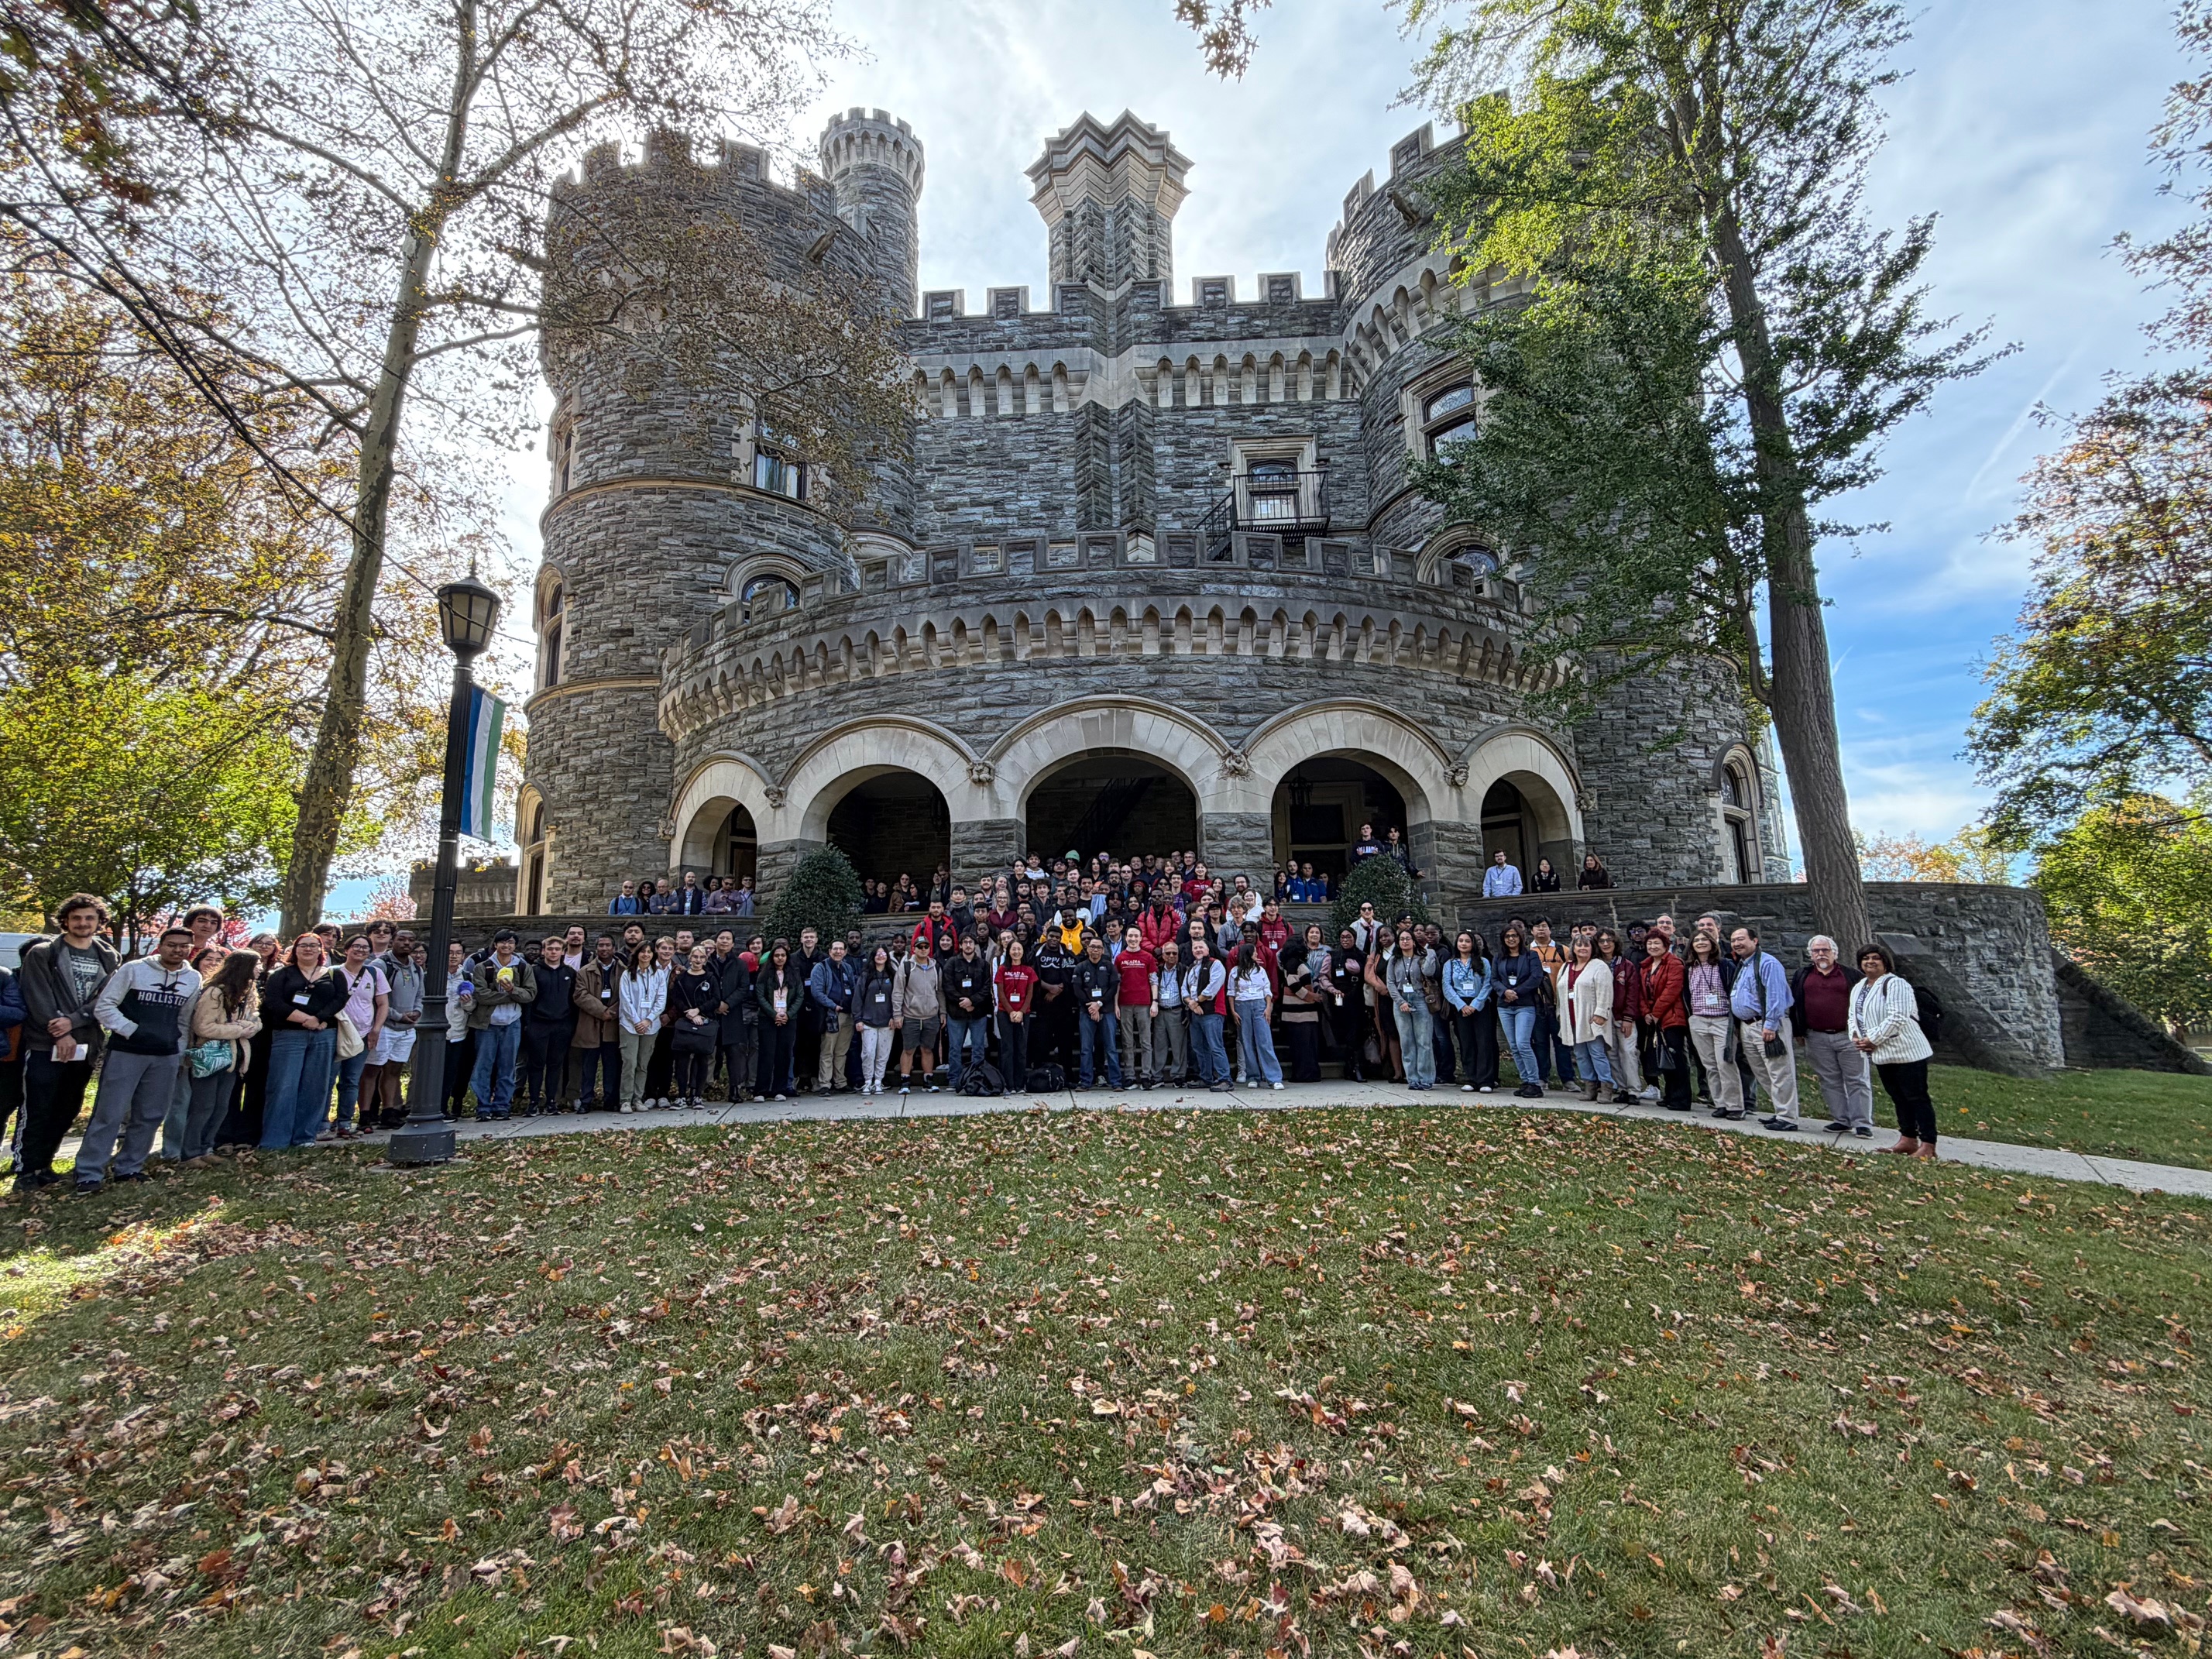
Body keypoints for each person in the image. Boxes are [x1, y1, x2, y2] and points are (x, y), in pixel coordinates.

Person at [74, 926, 203, 1192]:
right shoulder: (133, 969)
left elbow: (184, 1019)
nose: (177, 950)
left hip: (165, 1057)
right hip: (127, 1052)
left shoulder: (193, 978)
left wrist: (177, 1050)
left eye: (183, 946)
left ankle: (130, 1168)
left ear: (190, 948)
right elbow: (105, 1007)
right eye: (172, 944)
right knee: (110, 1113)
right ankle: (89, 1172)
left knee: (151, 1114)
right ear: (161, 944)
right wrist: (134, 1031)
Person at [15, 895, 123, 1190]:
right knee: (38, 1106)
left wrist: (74, 1023)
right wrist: (60, 1033)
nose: (83, 923)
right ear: (65, 921)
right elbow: (37, 997)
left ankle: (45, 1165)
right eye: (76, 918)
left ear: (99, 923)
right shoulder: (43, 953)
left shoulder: (109, 956)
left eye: (89, 918)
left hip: (86, 1043)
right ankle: (25, 1170)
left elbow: (105, 1000)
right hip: (43, 1042)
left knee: (67, 1107)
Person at [260, 933, 349, 1149]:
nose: (308, 949)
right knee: (283, 1085)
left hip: (323, 1034)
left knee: (316, 1086)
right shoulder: (282, 974)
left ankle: (305, 1137)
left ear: (321, 950)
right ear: (295, 949)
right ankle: (275, 1141)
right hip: (288, 1035)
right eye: (303, 945)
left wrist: (319, 1018)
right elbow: (273, 1002)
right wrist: (304, 1019)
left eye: (313, 946)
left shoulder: (333, 974)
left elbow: (340, 999)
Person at [1849, 943, 1938, 1158]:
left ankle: (1928, 1144)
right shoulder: (1860, 986)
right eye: (1865, 958)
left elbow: (1897, 1017)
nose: (1870, 961)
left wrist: (1873, 1039)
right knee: (1898, 1097)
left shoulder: (1897, 984)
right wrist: (1856, 1037)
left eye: (1876, 958)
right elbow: (1854, 1014)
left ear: (1885, 961)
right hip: (1882, 1054)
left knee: (1917, 1097)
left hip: (1907, 1051)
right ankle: (1908, 1139)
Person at [180, 947, 259, 1164]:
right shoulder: (215, 992)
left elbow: (255, 1019)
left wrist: (248, 1026)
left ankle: (207, 1148)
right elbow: (203, 1027)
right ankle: (190, 1152)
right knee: (203, 1107)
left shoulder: (248, 992)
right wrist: (239, 1030)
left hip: (234, 1058)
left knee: (221, 1107)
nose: (260, 969)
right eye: (256, 964)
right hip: (210, 1058)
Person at [1794, 935, 1874, 1137]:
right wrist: (1798, 1031)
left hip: (1849, 1036)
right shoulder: (1802, 975)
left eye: (1825, 950)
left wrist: (1864, 1033)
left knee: (1857, 1079)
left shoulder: (1852, 975)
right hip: (1816, 1036)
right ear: (1810, 954)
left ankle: (1862, 1123)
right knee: (1829, 1080)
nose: (1821, 954)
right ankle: (1841, 1119)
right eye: (1816, 951)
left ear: (1835, 953)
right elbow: (1795, 1004)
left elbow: (1866, 1004)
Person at [1728, 926, 1798, 1131]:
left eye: (1741, 939)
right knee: (1762, 1071)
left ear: (1755, 941)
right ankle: (1780, 1111)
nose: (1737, 944)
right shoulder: (1743, 965)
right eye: (1733, 941)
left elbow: (1775, 995)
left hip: (1767, 1025)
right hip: (1748, 1027)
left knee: (1780, 1071)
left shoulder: (1768, 963)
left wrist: (1770, 1025)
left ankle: (1788, 1118)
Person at [319, 935, 389, 1140]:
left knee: (351, 1080)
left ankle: (345, 1122)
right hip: (336, 1033)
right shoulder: (332, 973)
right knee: (328, 1079)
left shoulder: (374, 973)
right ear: (347, 949)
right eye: (356, 946)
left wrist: (376, 1029)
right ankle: (322, 1123)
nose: (361, 950)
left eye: (365, 948)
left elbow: (383, 1004)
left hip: (362, 1035)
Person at [463, 930, 537, 1120]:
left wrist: (514, 990)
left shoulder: (522, 967)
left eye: (510, 943)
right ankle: (483, 1106)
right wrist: (511, 995)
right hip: (487, 1024)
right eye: (502, 942)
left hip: (512, 1023)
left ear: (515, 946)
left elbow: (530, 995)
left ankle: (502, 1105)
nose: (506, 946)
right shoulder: (483, 967)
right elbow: (481, 996)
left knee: (508, 1066)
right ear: (495, 944)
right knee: (484, 1066)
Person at [362, 930, 423, 1128]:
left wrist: (417, 1011)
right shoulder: (380, 965)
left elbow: (420, 994)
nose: (406, 943)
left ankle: (390, 1112)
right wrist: (397, 1015)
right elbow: (374, 996)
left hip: (406, 1028)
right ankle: (365, 1114)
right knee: (372, 1069)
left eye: (411, 940)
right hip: (385, 1026)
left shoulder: (416, 968)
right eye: (402, 939)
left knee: (394, 1070)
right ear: (393, 941)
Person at [517, 935, 577, 1118]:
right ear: (544, 951)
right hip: (538, 1025)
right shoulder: (534, 971)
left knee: (555, 1065)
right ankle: (534, 1102)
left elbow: (573, 1001)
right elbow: (528, 1000)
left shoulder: (570, 972)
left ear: (563, 952)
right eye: (550, 949)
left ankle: (551, 1101)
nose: (553, 952)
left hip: (562, 1025)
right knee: (536, 1065)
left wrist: (570, 1024)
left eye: (557, 949)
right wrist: (528, 1025)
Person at [1553, 936, 1616, 1102]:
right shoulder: (1567, 967)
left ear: (1592, 948)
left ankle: (1606, 1088)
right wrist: (1560, 1014)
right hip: (1571, 1019)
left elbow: (1606, 991)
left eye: (1586, 946)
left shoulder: (1599, 966)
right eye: (1579, 945)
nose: (1582, 948)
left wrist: (1601, 1013)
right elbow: (1560, 993)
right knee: (1580, 1055)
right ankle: (1590, 1087)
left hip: (1591, 1018)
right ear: (1573, 948)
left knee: (1597, 1053)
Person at [1490, 922, 1546, 1099]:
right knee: (1514, 1046)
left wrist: (1516, 992)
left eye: (1514, 936)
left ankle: (1534, 1082)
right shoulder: (1499, 958)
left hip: (1525, 1004)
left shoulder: (1531, 956)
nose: (1511, 939)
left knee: (1523, 1043)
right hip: (1505, 1006)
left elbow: (1536, 978)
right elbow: (1494, 979)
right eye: (1508, 936)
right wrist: (1504, 992)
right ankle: (1525, 1080)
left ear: (1521, 937)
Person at [1637, 931, 1692, 1111]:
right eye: (1650, 944)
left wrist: (1656, 1013)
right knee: (1664, 1058)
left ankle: (1681, 1098)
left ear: (1666, 945)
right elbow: (1642, 994)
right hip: (1654, 1019)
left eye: (1657, 943)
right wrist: (1646, 1012)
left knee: (1676, 1058)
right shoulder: (1645, 966)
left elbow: (1672, 990)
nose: (1653, 947)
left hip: (1672, 1018)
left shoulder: (1674, 963)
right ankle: (1669, 1095)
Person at [1382, 927, 1437, 1091]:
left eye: (1408, 939)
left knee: (1424, 1041)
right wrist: (1400, 1002)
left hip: (1420, 998)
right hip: (1401, 1001)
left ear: (1414, 941)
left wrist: (1431, 953)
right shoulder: (1394, 960)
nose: (1405, 941)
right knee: (1407, 1041)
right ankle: (1412, 1078)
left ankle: (1426, 1078)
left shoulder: (1422, 957)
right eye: (1402, 939)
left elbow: (1429, 972)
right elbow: (1390, 983)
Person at [571, 934, 623, 1111]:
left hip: (613, 1025)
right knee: (588, 1067)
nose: (604, 948)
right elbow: (580, 995)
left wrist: (613, 1011)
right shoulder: (584, 971)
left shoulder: (624, 970)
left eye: (608, 945)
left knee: (611, 1067)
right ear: (596, 948)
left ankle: (610, 1100)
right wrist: (602, 1011)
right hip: (591, 1024)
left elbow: (628, 994)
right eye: (601, 945)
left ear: (614, 948)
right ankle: (586, 1101)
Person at [1442, 929, 1496, 1094]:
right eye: (1461, 941)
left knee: (1483, 1042)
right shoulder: (1450, 964)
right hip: (1461, 1005)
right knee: (1467, 1042)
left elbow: (1488, 984)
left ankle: (1485, 1079)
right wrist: (1461, 1005)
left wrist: (1475, 1004)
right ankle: (1471, 1078)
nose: (1463, 944)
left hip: (1479, 1004)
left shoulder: (1483, 962)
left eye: (1467, 941)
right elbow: (1447, 986)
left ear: (1473, 944)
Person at [667, 945, 720, 1108]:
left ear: (705, 960)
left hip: (704, 1022)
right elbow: (676, 997)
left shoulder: (711, 978)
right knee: (682, 1061)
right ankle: (682, 1096)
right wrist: (688, 1012)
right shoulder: (682, 978)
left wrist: (699, 1011)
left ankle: (697, 1095)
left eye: (701, 957)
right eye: (695, 957)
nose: (698, 960)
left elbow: (716, 999)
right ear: (690, 958)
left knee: (701, 1060)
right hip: (686, 1022)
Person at [1594, 929, 1643, 1105]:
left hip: (1623, 1017)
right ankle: (1622, 1088)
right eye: (1602, 941)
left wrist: (1629, 1018)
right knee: (1611, 1054)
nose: (1606, 944)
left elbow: (1632, 993)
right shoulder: (1595, 964)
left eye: (1609, 940)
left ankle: (1634, 1090)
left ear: (1616, 943)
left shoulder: (1626, 965)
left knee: (1628, 1052)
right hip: (1604, 1017)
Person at [1226, 940, 1281, 1091]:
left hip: (1259, 1005)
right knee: (1247, 1042)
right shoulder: (1235, 972)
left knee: (1265, 1041)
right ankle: (1253, 1076)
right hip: (1241, 1005)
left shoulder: (1260, 971)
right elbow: (1231, 992)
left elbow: (1267, 990)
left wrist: (1268, 1008)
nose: (1257, 954)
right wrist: (1233, 1011)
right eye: (1254, 952)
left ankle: (1274, 1077)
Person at [892, 935, 944, 1094]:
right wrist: (897, 1014)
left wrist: (942, 1012)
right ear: (914, 948)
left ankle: (928, 1080)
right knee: (908, 1049)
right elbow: (898, 991)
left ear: (929, 949)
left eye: (926, 947)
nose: (923, 950)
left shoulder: (936, 967)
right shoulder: (906, 967)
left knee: (928, 1049)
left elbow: (940, 991)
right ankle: (905, 1081)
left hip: (931, 1015)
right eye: (920, 947)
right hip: (911, 1015)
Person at [805, 939, 857, 1094]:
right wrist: (833, 1005)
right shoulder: (820, 968)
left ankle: (840, 1082)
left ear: (845, 952)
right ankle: (825, 1084)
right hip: (831, 1014)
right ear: (829, 951)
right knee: (828, 1050)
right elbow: (817, 992)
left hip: (848, 1015)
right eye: (835, 949)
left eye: (841, 949)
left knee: (842, 1051)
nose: (838, 952)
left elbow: (854, 990)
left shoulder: (847, 967)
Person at [754, 942, 804, 1101]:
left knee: (784, 1054)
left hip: (788, 1019)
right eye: (777, 955)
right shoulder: (764, 975)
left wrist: (788, 1014)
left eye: (783, 955)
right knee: (767, 1054)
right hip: (768, 1019)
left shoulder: (794, 974)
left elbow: (800, 996)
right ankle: (762, 1090)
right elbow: (760, 996)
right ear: (772, 958)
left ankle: (780, 1089)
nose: (780, 958)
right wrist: (773, 1014)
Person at [1071, 933, 1121, 1090]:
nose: (1095, 950)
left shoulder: (1109, 966)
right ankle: (1085, 1081)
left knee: (1111, 1048)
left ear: (1103, 950)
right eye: (1092, 947)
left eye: (1099, 947)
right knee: (1086, 1048)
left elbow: (1113, 987)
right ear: (1087, 949)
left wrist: (1099, 1004)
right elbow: (1077, 990)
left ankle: (1116, 1081)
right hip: (1087, 1012)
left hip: (1106, 1011)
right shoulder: (1081, 967)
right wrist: (1091, 1006)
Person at [943, 936, 992, 1094]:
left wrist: (972, 1001)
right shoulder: (952, 963)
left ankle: (976, 1078)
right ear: (961, 945)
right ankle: (954, 1079)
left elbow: (987, 987)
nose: (968, 945)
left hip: (977, 1012)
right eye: (966, 943)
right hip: (956, 1013)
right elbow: (947, 986)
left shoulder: (984, 965)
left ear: (975, 946)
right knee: (955, 1048)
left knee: (978, 1048)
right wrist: (963, 1002)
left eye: (971, 943)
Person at [1114, 924, 1159, 1090]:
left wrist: (1155, 1001)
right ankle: (1130, 1076)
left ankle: (1146, 1075)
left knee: (1146, 1041)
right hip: (1125, 1004)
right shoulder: (1120, 958)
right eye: (1130, 936)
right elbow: (1117, 983)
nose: (1133, 939)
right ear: (1126, 938)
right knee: (1127, 1042)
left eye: (1136, 936)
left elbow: (1154, 980)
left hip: (1144, 1004)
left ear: (1141, 938)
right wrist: (1115, 1004)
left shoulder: (1147, 957)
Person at [993, 937, 1038, 1095]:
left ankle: (1019, 1084)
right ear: (1008, 951)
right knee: (1008, 1049)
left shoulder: (1029, 971)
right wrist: (1011, 1011)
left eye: (1019, 949)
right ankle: (1008, 1084)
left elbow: (1030, 994)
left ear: (1023, 951)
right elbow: (1001, 993)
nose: (1016, 952)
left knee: (1021, 1049)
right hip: (1005, 1013)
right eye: (1013, 949)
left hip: (1023, 1014)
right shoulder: (1002, 970)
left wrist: (1021, 1012)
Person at [852, 944, 897, 1097]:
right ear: (873, 956)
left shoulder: (892, 975)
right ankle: (867, 1081)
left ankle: (878, 1081)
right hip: (868, 1022)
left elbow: (897, 997)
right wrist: (858, 1018)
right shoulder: (866, 975)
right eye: (878, 953)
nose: (881, 956)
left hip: (887, 1022)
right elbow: (858, 998)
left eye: (883, 953)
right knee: (868, 1053)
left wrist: (895, 1016)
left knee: (883, 1054)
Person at [1277, 936, 1324, 1083]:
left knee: (1307, 1046)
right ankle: (1304, 1074)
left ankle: (1310, 1073)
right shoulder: (1293, 964)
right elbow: (1294, 985)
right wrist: (1312, 996)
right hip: (1298, 1013)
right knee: (1303, 1047)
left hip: (1303, 1012)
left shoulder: (1296, 962)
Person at [1325, 926, 1368, 1081]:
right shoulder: (1333, 956)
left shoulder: (1362, 956)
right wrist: (1332, 989)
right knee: (1343, 1032)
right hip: (1339, 998)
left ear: (1354, 938)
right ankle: (1348, 1066)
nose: (1345, 940)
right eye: (1342, 937)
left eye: (1348, 937)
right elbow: (1325, 977)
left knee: (1356, 1032)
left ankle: (1356, 1067)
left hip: (1357, 997)